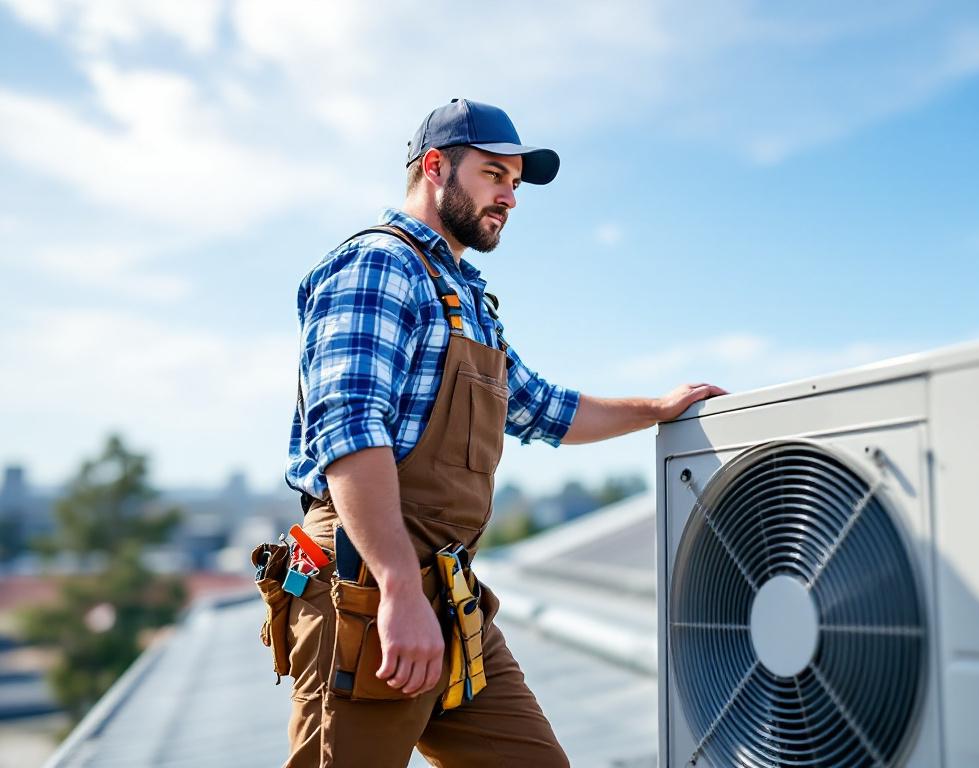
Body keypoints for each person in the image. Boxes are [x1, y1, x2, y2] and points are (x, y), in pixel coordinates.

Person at [279, 99, 725, 766]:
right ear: (436, 168)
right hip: (368, 586)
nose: (509, 197)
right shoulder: (379, 266)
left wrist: (654, 409)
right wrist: (399, 589)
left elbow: (540, 408)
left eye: (515, 183)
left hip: (451, 595)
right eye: (494, 175)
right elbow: (348, 434)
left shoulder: (464, 296)